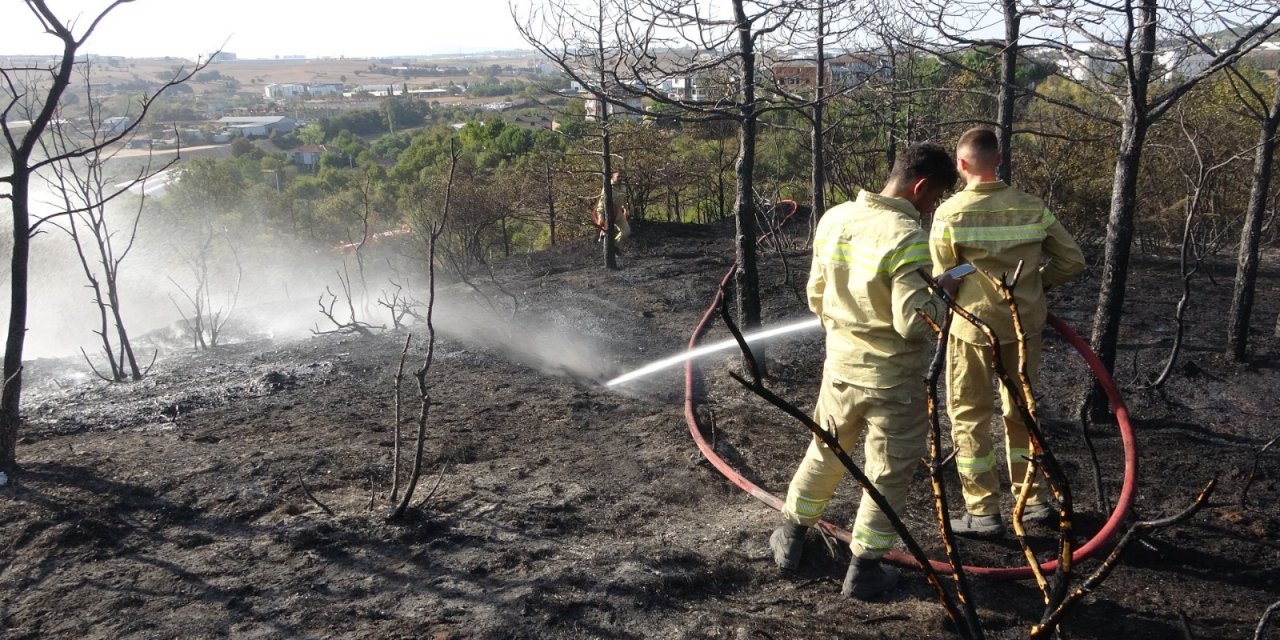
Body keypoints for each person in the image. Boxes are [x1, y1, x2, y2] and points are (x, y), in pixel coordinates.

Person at [769, 142, 962, 601]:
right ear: (919, 187)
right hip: (893, 382)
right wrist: (944, 292)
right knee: (887, 473)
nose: (931, 208)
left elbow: (817, 295)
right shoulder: (906, 236)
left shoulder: (835, 218)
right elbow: (915, 321)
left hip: (839, 369)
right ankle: (865, 569)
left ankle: (790, 538)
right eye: (934, 198)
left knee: (825, 452)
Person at [929, 127, 1086, 538]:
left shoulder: (949, 213)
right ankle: (1031, 501)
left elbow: (943, 278)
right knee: (1022, 413)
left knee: (968, 416)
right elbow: (1071, 261)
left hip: (971, 330)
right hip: (1024, 329)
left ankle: (982, 512)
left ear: (962, 165)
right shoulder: (1032, 208)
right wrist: (1034, 288)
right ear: (998, 159)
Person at [593, 171, 630, 245]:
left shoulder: (623, 186)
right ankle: (600, 238)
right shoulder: (608, 186)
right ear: (613, 177)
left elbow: (624, 199)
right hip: (606, 212)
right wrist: (601, 216)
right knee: (605, 231)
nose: (620, 178)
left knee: (626, 231)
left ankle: (615, 245)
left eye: (622, 177)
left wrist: (626, 209)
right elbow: (602, 202)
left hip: (618, 212)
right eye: (618, 176)